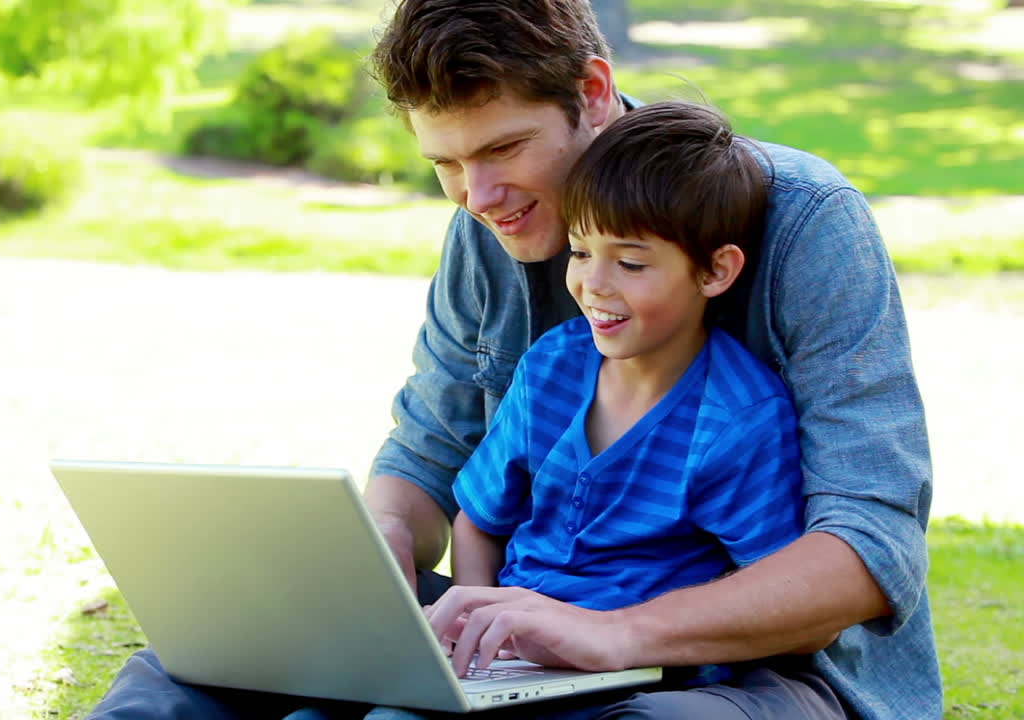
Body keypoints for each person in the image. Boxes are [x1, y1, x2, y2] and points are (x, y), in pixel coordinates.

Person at [85, 1, 937, 718]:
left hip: (753, 671)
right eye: (446, 164)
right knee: (194, 668)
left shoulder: (803, 220)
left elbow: (869, 547)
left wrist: (612, 634)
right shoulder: (487, 226)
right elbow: (428, 453)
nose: (478, 198)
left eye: (502, 150)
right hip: (529, 629)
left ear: (592, 92)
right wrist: (378, 554)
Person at [433, 101, 806, 695]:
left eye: (630, 263)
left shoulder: (737, 419)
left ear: (714, 272)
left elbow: (774, 589)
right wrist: (474, 629)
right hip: (511, 659)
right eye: (580, 252)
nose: (594, 285)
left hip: (639, 676)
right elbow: (479, 520)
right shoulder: (552, 367)